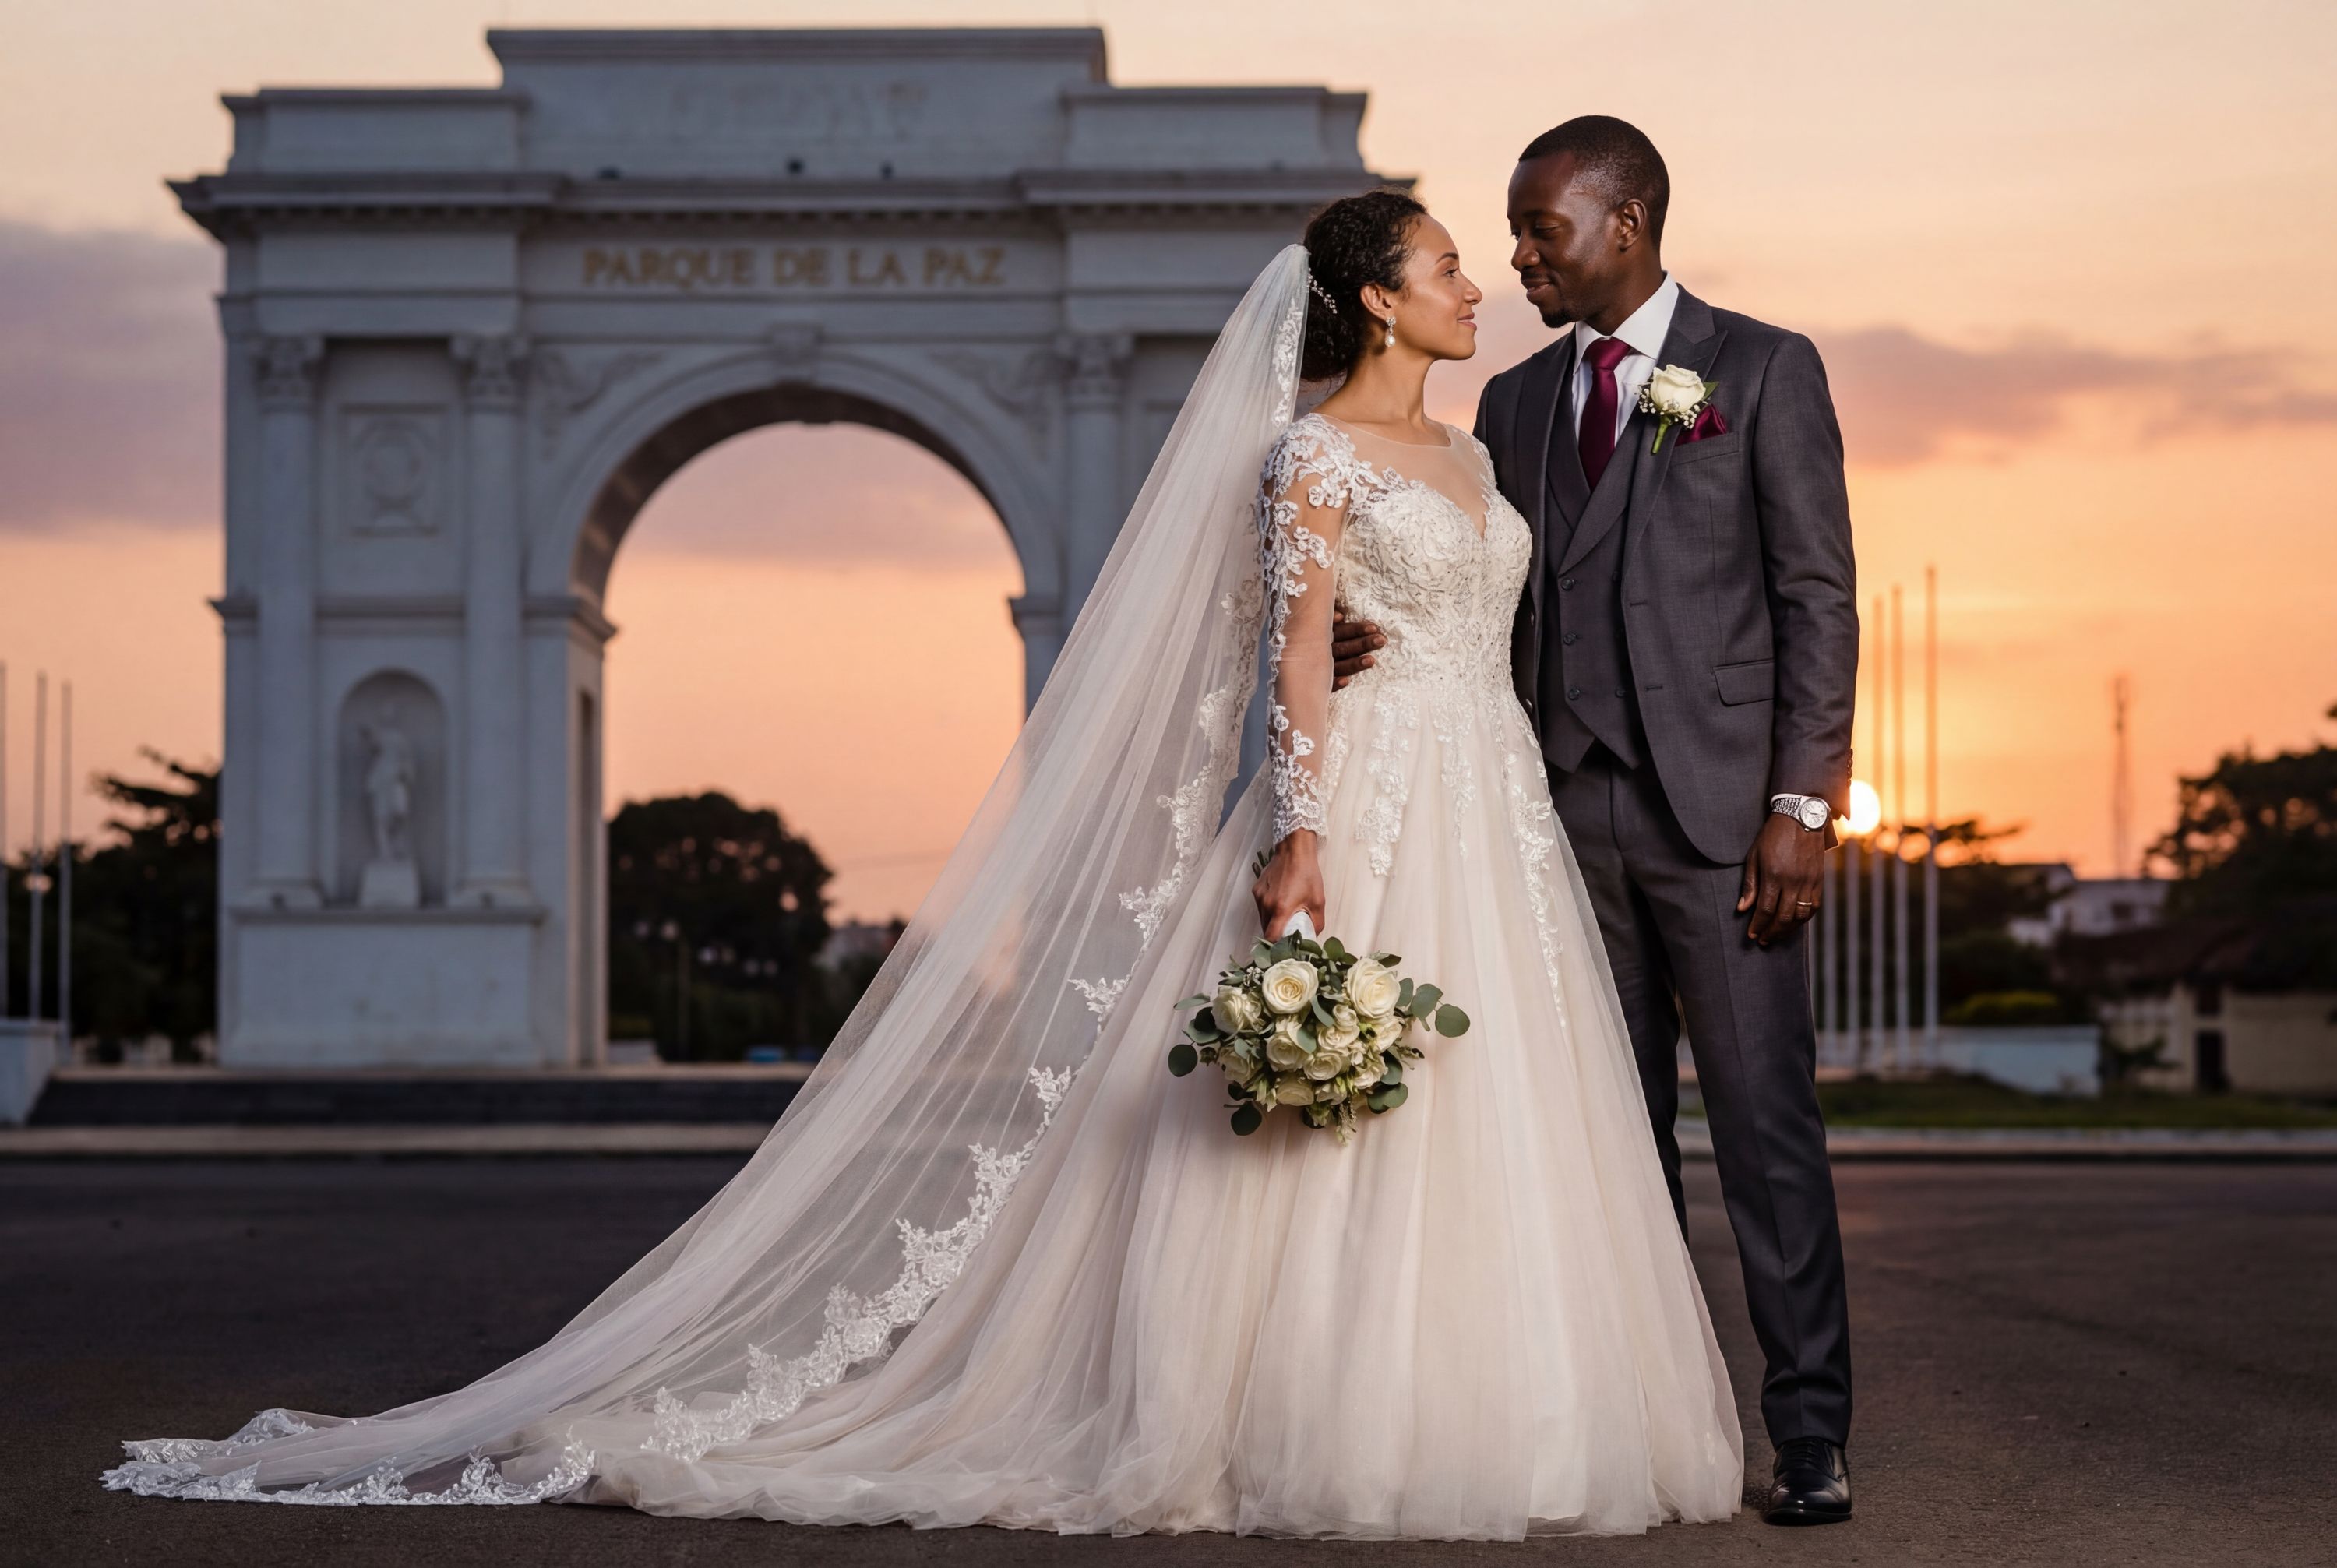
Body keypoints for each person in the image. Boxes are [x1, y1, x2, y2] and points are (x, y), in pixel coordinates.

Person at [104, 196, 1743, 1538]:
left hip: (1499, 798)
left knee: (1507, 1103)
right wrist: (1301, 823)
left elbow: (1535, 613)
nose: (1481, 283)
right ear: (1375, 300)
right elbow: (1298, 652)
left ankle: (1507, 1397)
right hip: (1378, 789)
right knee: (1335, 1108)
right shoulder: (1304, 457)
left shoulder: (1481, 450)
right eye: (1451, 262)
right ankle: (1336, 1413)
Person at [1334, 117, 1858, 1525]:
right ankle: (1639, 1417)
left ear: (1621, 224)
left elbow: (1817, 597)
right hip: (1553, 825)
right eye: (1504, 235)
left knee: (1764, 1130)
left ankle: (1810, 1434)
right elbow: (1470, 581)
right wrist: (1349, 638)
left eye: (1539, 231)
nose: (1517, 258)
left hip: (1725, 826)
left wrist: (1803, 804)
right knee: (1602, 1149)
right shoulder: (1508, 403)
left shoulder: (1761, 368)